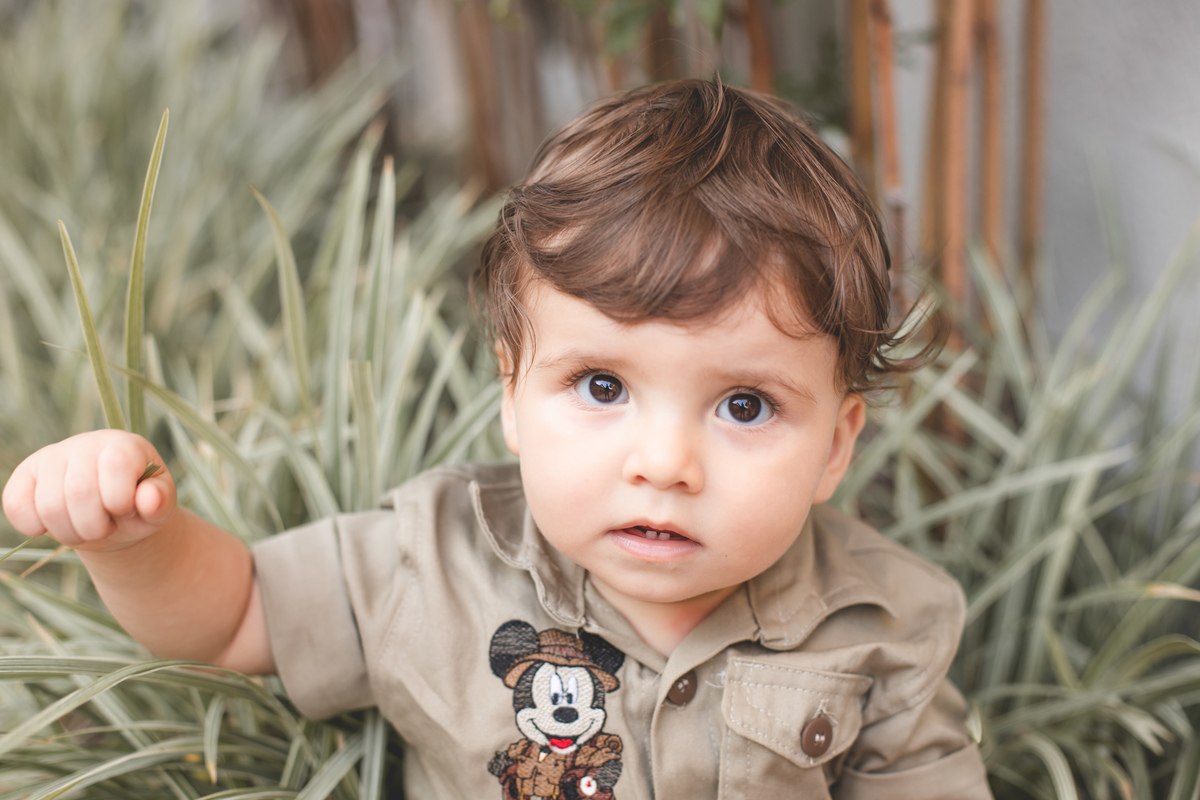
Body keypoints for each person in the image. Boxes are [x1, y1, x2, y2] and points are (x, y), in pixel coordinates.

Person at [2, 79, 992, 798]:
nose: (664, 463)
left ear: (835, 444)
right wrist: (135, 540)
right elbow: (230, 618)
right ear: (511, 395)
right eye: (601, 384)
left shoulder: (884, 623)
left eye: (744, 405)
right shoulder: (429, 560)